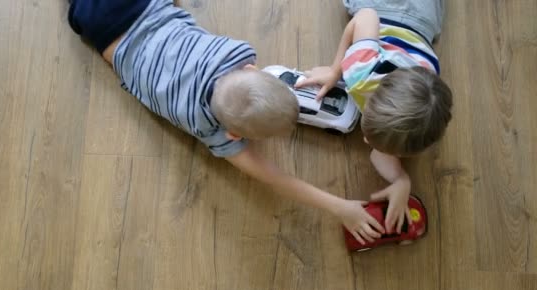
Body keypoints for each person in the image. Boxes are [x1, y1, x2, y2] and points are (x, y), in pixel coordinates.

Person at [67, 0, 386, 244]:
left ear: (252, 69)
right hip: (102, 28)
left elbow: (257, 81)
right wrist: (338, 207)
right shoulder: (209, 129)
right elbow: (273, 177)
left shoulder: (235, 53)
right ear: (234, 135)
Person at [297, 0, 452, 239]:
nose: (366, 140)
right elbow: (365, 16)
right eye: (371, 136)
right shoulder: (361, 72)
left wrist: (401, 180)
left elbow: (383, 152)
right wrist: (335, 70)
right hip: (385, 7)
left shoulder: (419, 117)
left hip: (424, 20)